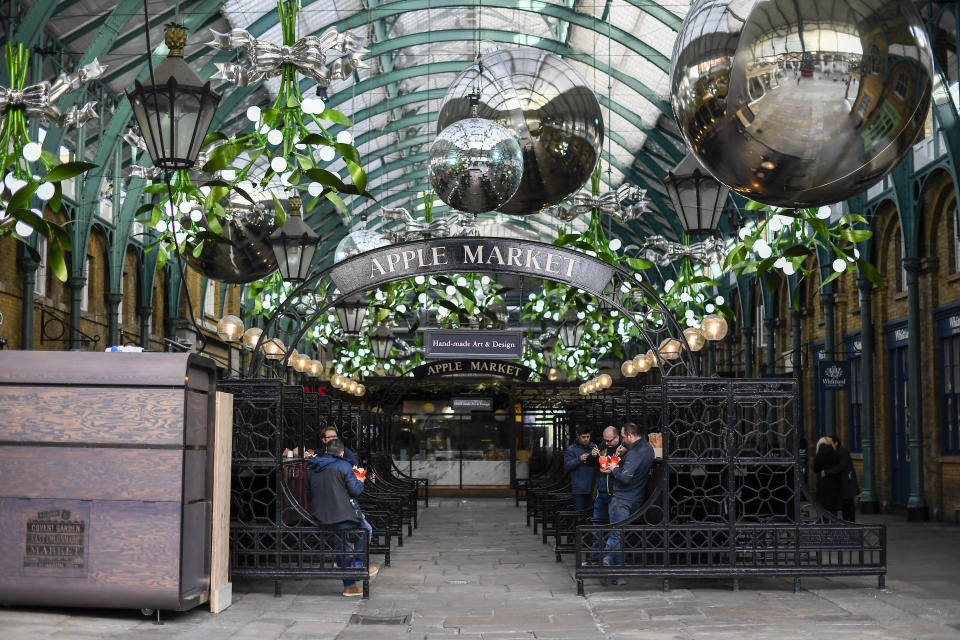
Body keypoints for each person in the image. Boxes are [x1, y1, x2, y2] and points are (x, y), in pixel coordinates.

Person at [308, 438, 378, 597]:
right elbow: (355, 491)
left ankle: (350, 587)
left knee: (342, 546)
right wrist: (360, 480)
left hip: (320, 516)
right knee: (366, 530)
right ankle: (360, 565)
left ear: (326, 451)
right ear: (341, 453)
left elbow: (309, 493)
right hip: (343, 515)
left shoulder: (313, 467)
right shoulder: (344, 465)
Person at [601, 422, 655, 569]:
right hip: (637, 498)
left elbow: (625, 477)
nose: (622, 440)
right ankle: (618, 573)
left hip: (622, 499)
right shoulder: (648, 449)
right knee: (620, 534)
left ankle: (607, 560)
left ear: (630, 435)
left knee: (616, 534)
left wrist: (614, 468)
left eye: (624, 437)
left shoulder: (635, 453)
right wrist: (621, 456)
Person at [588, 426, 621, 522]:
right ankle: (597, 537)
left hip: (616, 495)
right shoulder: (602, 447)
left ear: (617, 438)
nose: (607, 443)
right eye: (605, 440)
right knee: (598, 522)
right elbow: (589, 463)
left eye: (609, 441)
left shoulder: (623, 450)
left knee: (614, 524)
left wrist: (613, 471)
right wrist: (592, 456)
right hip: (600, 493)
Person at [563, 426, 597, 512]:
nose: (586, 439)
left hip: (593, 488)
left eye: (588, 437)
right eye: (583, 437)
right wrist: (579, 459)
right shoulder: (571, 449)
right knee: (579, 515)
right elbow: (567, 466)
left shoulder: (594, 448)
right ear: (578, 436)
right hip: (579, 489)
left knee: (592, 514)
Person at [826, 436, 860, 522]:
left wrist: (828, 471)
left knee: (848, 503)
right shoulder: (837, 452)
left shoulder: (842, 452)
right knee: (845, 503)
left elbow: (842, 466)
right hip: (843, 482)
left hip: (847, 482)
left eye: (830, 443)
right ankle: (847, 521)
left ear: (836, 443)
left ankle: (851, 522)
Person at [813, 436, 842, 518]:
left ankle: (825, 527)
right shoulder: (836, 454)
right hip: (835, 483)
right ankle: (833, 526)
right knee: (833, 509)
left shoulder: (819, 455)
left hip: (823, 484)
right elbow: (839, 467)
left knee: (823, 508)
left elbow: (815, 469)